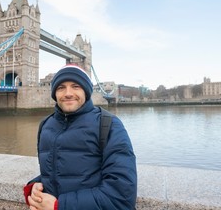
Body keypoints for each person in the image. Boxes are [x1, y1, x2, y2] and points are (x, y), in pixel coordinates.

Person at [23, 64, 137, 210]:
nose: (68, 93)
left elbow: (122, 196)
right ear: (54, 93)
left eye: (76, 86)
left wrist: (59, 206)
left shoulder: (109, 124)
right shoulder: (46, 125)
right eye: (61, 87)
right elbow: (62, 173)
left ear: (86, 91)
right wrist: (34, 188)